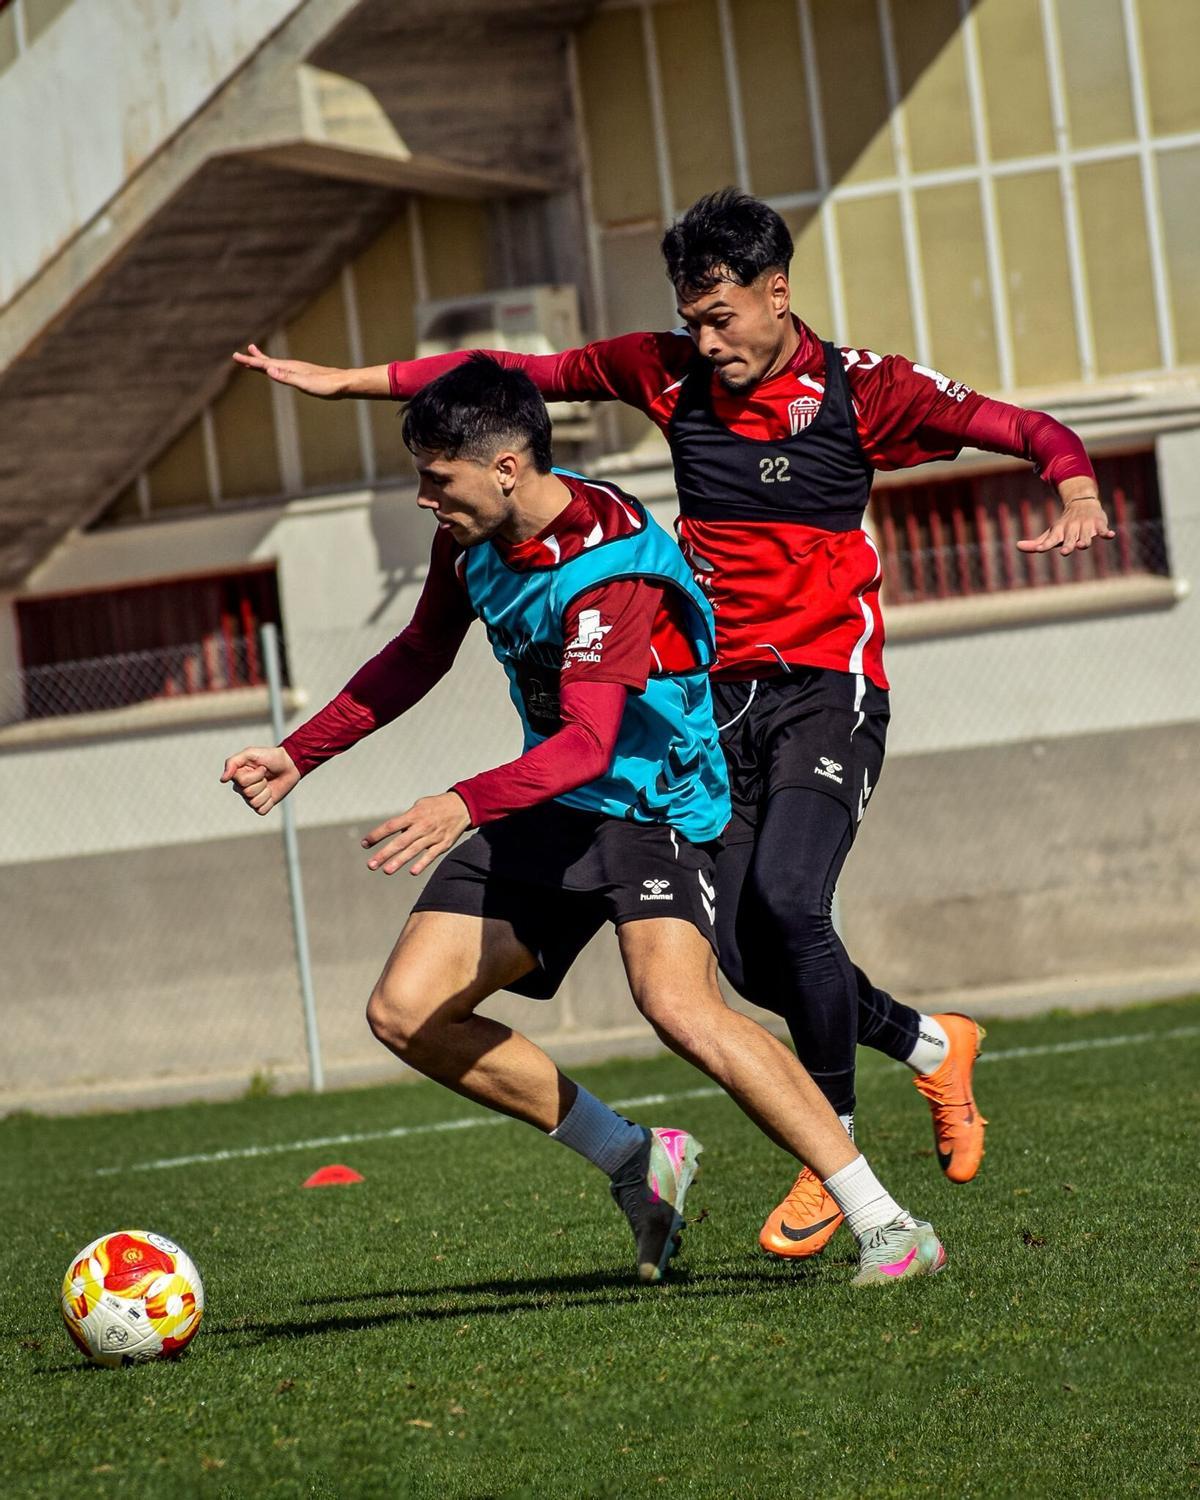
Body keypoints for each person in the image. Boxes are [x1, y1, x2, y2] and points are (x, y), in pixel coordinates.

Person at [233, 189, 1110, 1259]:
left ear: (776, 292)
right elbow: (516, 380)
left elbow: (1019, 428)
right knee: (733, 961)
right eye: (689, 318)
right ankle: (906, 1052)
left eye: (721, 317)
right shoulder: (624, 406)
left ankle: (855, 1187)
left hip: (801, 696)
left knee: (765, 927)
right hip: (685, 717)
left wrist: (1073, 488)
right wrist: (342, 382)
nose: (702, 341)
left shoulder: (837, 405)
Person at [222, 357, 946, 1286]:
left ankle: (888, 1224)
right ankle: (636, 1160)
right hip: (553, 807)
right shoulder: (470, 539)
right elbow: (418, 652)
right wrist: (300, 751)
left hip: (656, 809)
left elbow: (592, 741)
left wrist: (461, 802)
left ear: (507, 467)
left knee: (679, 1007)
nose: (422, 498)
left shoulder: (611, 567)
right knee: (404, 1013)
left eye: (436, 477)